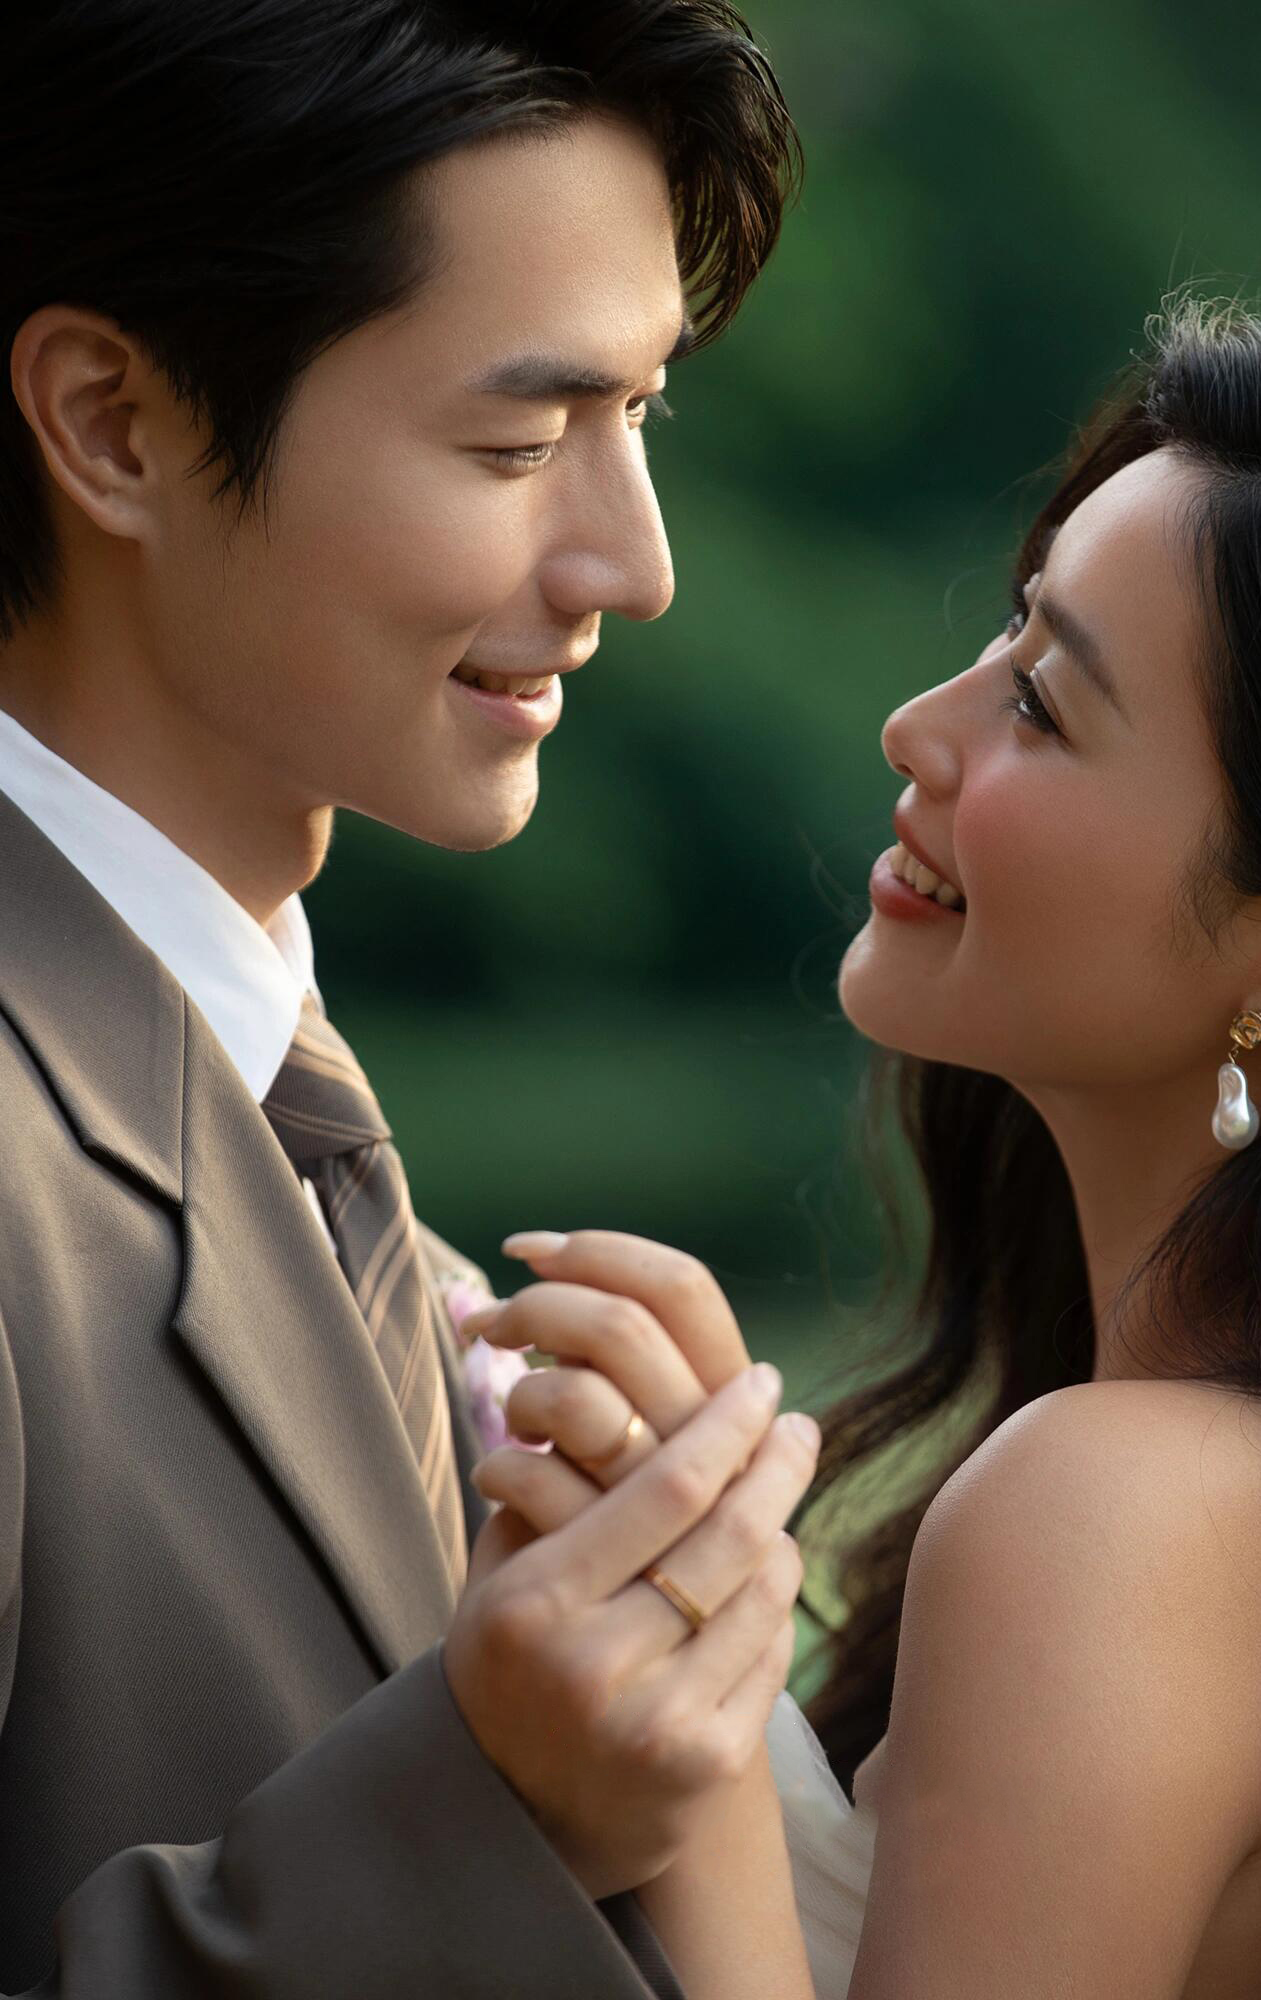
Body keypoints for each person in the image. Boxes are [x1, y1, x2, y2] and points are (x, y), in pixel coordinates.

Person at [465, 302, 1261, 1997]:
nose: (917, 729)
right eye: (1010, 627)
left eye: (1041, 702)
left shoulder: (1113, 1515)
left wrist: (693, 1692)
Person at [0, 3, 816, 1995]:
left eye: (645, 418)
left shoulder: (361, 1217)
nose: (635, 563)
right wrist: (485, 1803)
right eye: (519, 444)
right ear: (112, 424)